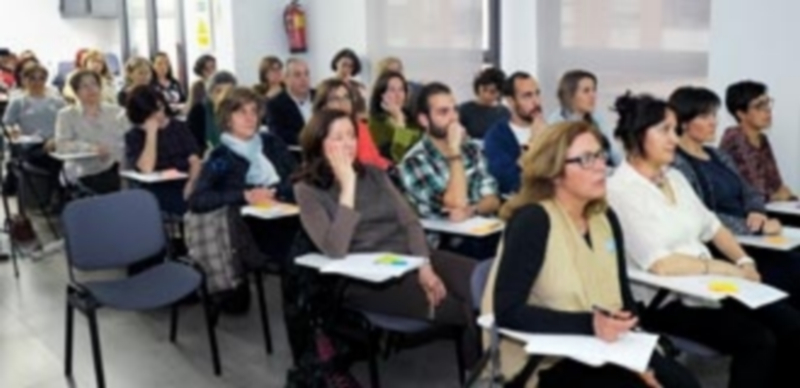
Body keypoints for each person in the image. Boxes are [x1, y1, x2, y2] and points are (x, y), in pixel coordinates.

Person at [482, 120, 700, 388]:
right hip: (547, 360)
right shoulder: (533, 221)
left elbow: (625, 301)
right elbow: (508, 311)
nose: (600, 167)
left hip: (605, 347)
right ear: (554, 172)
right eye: (586, 159)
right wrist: (592, 324)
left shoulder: (605, 218)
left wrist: (637, 360)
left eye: (600, 155)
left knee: (683, 382)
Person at [607, 92, 800, 388]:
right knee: (758, 340)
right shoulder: (621, 190)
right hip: (667, 300)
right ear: (637, 136)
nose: (674, 138)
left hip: (710, 288)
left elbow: (713, 227)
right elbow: (662, 264)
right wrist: (731, 270)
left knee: (790, 322)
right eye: (665, 130)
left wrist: (744, 260)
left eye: (674, 129)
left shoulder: (674, 177)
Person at [293, 108, 477, 362]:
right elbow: (335, 248)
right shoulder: (307, 190)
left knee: (485, 282)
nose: (347, 143)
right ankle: (483, 373)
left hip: (412, 257)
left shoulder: (374, 174)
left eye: (351, 135)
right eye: (338, 137)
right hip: (369, 280)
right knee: (462, 308)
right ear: (318, 142)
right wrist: (348, 187)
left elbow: (410, 222)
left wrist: (424, 264)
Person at [669, 86, 800, 309]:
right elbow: (703, 216)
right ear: (683, 122)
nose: (714, 122)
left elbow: (749, 190)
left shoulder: (718, 155)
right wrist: (754, 228)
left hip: (752, 236)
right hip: (727, 245)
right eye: (704, 116)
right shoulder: (677, 163)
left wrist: (756, 210)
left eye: (714, 115)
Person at [189, 87, 298, 263]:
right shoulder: (221, 157)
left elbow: (297, 177)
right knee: (298, 247)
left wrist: (274, 192)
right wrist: (244, 196)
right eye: (241, 112)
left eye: (254, 111)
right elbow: (197, 200)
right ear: (227, 119)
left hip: (287, 211)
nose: (250, 118)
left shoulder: (271, 143)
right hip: (252, 227)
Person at [398, 82, 500, 220]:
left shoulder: (471, 149)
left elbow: (493, 199)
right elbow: (456, 203)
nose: (453, 118)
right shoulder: (414, 162)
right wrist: (454, 153)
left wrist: (473, 210)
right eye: (443, 112)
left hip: (483, 231)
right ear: (424, 120)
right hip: (445, 238)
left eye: (455, 110)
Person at [125, 85, 201, 215]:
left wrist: (192, 182)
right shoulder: (134, 136)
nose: (159, 115)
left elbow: (195, 160)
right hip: (157, 187)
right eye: (152, 113)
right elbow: (147, 167)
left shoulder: (179, 128)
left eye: (160, 108)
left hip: (185, 179)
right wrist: (151, 133)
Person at [719, 80, 795, 202]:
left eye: (767, 104)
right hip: (742, 215)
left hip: (766, 209)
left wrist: (783, 194)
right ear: (741, 114)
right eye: (759, 106)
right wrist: (775, 196)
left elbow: (776, 184)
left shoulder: (762, 139)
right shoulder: (734, 138)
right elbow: (749, 191)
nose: (767, 110)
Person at [55, 69, 127, 194]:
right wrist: (90, 148)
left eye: (94, 84)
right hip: (85, 169)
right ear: (76, 92)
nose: (91, 89)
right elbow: (62, 144)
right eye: (84, 86)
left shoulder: (117, 111)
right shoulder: (66, 115)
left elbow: (127, 138)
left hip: (117, 165)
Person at [483, 72, 547, 196]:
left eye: (537, 94)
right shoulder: (497, 136)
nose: (536, 102)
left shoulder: (551, 131)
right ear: (511, 101)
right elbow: (508, 183)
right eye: (527, 96)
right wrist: (533, 142)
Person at [313, 78, 389, 169]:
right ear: (323, 106)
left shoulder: (361, 127)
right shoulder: (319, 132)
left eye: (346, 97)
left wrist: (391, 169)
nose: (343, 103)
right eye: (335, 99)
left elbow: (376, 159)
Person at [548, 69, 620, 165]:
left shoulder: (598, 117)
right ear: (570, 95)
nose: (593, 95)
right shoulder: (556, 122)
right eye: (586, 91)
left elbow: (614, 152)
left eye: (594, 90)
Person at [367, 70, 422, 162]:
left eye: (401, 90)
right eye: (392, 90)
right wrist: (400, 122)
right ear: (381, 95)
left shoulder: (414, 119)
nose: (398, 95)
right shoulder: (375, 124)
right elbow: (397, 157)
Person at [266, 58, 315, 146]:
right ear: (285, 79)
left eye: (306, 74)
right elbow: (278, 135)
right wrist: (313, 140)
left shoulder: (320, 96)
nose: (303, 79)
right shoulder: (275, 105)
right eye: (297, 75)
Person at [186, 71, 237, 155]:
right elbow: (192, 144)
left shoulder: (236, 110)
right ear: (210, 92)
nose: (223, 96)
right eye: (218, 91)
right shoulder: (199, 111)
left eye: (228, 92)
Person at [458, 67, 509, 139]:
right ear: (478, 87)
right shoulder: (464, 110)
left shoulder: (504, 113)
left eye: (492, 92)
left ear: (499, 93)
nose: (486, 95)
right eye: (484, 89)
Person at [330, 48, 367, 118]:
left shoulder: (359, 87)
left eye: (350, 66)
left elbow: (363, 112)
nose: (346, 69)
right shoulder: (327, 86)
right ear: (336, 63)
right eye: (344, 65)